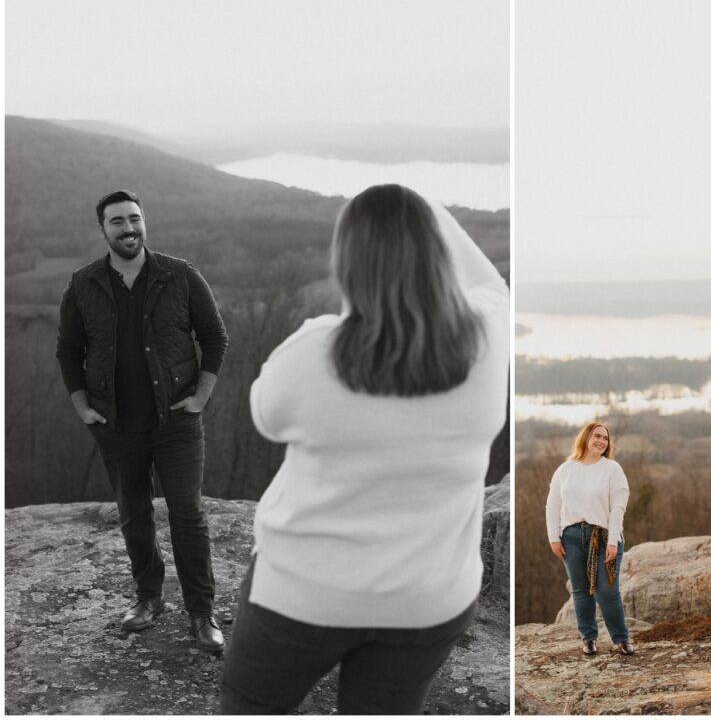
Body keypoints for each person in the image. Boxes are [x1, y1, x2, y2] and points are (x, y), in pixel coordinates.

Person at [218, 184, 509, 714]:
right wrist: (419, 209)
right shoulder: (488, 340)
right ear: (435, 251)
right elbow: (492, 283)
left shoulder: (314, 352)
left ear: (348, 263)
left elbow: (265, 415)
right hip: (429, 598)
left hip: (305, 592)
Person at [55, 189, 229, 652]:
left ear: (144, 222)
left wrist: (200, 397)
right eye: (117, 222)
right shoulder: (83, 284)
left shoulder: (181, 275)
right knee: (134, 515)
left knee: (187, 515)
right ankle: (148, 599)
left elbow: (215, 338)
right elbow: (68, 351)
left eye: (134, 218)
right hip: (116, 425)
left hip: (176, 423)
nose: (128, 228)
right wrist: (81, 406)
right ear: (103, 230)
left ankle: (201, 613)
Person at [545, 421, 634, 656]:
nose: (602, 441)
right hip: (572, 537)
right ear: (585, 438)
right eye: (597, 436)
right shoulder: (565, 470)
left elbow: (618, 508)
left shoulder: (612, 469)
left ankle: (621, 638)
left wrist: (613, 541)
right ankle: (588, 639)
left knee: (607, 591)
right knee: (581, 590)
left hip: (604, 536)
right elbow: (553, 504)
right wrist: (554, 537)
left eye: (605, 438)